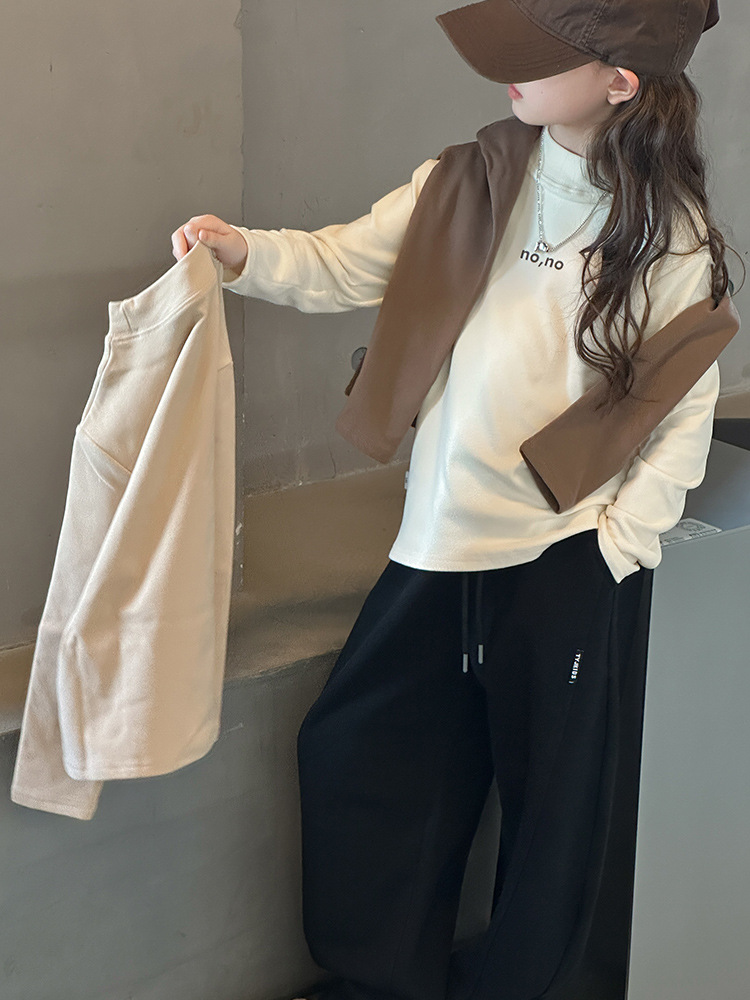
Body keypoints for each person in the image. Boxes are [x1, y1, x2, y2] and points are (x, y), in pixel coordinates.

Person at [172, 3, 743, 999]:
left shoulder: (671, 236)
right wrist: (238, 252)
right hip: (441, 538)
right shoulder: (466, 179)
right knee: (362, 752)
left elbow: (681, 402)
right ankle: (381, 979)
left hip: (569, 553)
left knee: (557, 809)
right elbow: (344, 261)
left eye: (540, 57)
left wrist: (622, 543)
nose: (507, 73)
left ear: (620, 83)